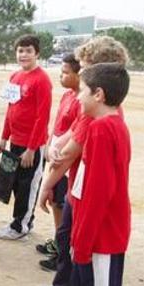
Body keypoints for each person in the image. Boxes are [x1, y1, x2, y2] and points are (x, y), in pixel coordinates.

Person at [33, 37, 129, 286]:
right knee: (68, 244)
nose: (81, 74)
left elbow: (73, 153)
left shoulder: (102, 123)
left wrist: (48, 179)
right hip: (78, 192)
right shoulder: (99, 114)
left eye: (87, 68)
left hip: (87, 205)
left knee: (87, 270)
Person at [50, 63, 131, 286]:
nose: (78, 98)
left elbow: (98, 194)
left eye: (83, 91)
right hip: (95, 235)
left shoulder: (101, 130)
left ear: (99, 94)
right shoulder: (107, 125)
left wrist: (81, 244)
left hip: (102, 239)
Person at [0, 34, 52, 240]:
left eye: (28, 51)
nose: (23, 54)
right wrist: (4, 137)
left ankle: (20, 227)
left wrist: (32, 149)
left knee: (28, 186)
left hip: (31, 146)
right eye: (20, 50)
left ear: (37, 54)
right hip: (15, 142)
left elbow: (41, 117)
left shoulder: (42, 80)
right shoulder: (14, 77)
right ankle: (24, 219)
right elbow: (11, 109)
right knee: (15, 184)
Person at [36, 53, 82, 272]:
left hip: (65, 162)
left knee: (61, 205)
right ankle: (58, 241)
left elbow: (75, 133)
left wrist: (58, 151)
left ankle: (63, 251)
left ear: (79, 75)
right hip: (55, 155)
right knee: (55, 202)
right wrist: (48, 142)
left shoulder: (83, 101)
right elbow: (58, 125)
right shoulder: (67, 96)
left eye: (65, 73)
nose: (61, 77)